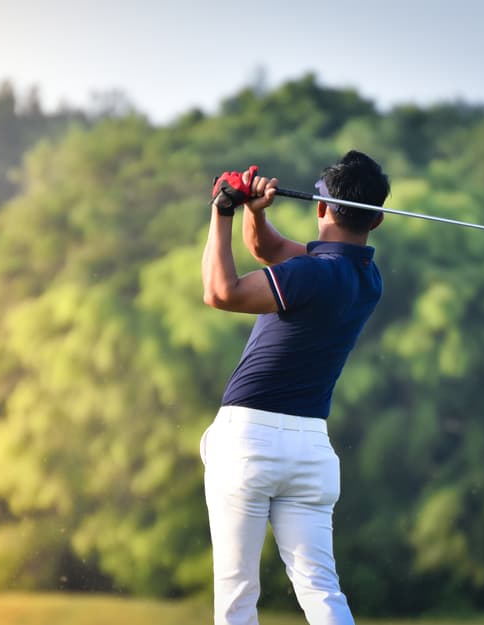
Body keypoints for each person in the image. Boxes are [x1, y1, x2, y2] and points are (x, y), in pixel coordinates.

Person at [200, 151, 390, 625]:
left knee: (236, 595)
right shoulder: (367, 278)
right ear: (378, 221)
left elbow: (220, 292)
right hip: (310, 452)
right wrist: (253, 212)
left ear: (320, 209)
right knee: (322, 592)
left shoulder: (310, 273)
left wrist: (220, 211)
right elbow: (268, 252)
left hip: (248, 440)